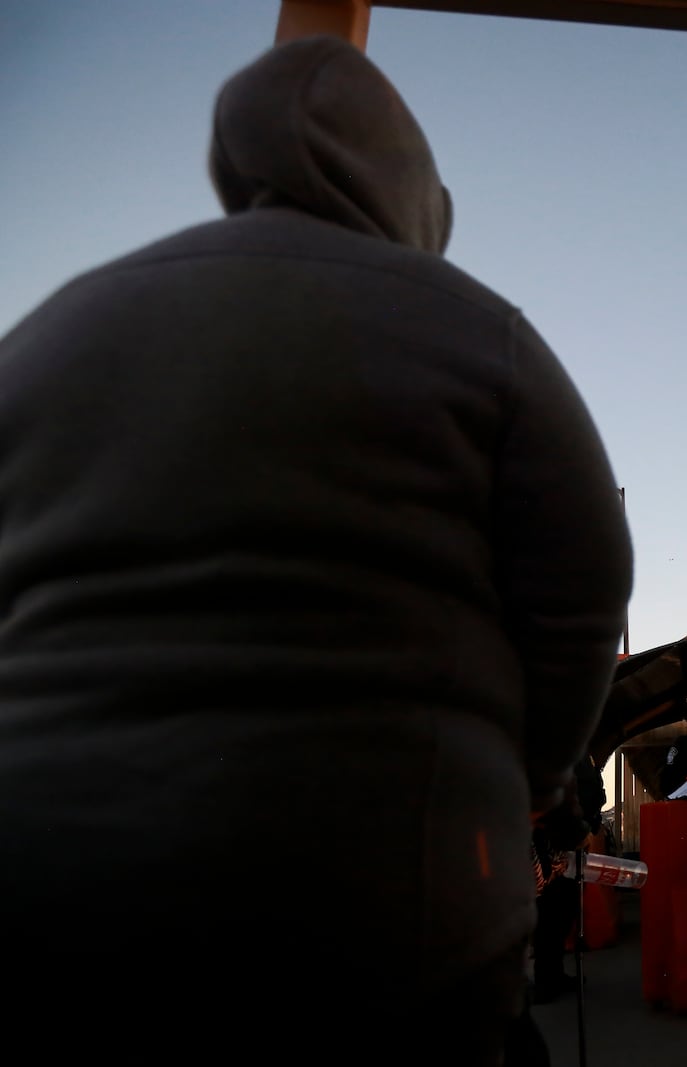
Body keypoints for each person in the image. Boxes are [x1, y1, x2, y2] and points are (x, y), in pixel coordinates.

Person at [0, 36, 632, 1066]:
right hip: (397, 891)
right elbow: (582, 589)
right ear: (413, 187)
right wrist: (529, 775)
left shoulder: (51, 327)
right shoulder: (476, 328)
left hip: (49, 873)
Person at [529, 754, 607, 1004]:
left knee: (564, 907)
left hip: (567, 835)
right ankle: (544, 979)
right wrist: (576, 829)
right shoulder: (551, 743)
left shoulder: (579, 749)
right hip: (549, 837)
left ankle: (553, 973)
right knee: (548, 909)